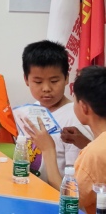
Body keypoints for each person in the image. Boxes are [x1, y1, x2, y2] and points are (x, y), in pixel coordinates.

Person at [26, 65, 106, 214]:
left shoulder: (95, 153)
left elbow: (70, 201)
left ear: (84, 107)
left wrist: (48, 149)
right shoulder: (98, 147)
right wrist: (86, 143)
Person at [19, 40, 92, 183]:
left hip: (56, 193)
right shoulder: (30, 110)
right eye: (38, 82)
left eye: (54, 81)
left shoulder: (75, 119)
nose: (46, 88)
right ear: (26, 79)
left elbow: (75, 179)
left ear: (66, 78)